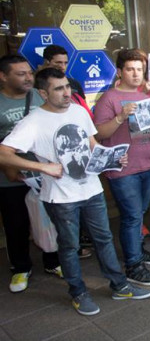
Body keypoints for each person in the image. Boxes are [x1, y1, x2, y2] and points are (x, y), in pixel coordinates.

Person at [0, 67, 150, 315]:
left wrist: (110, 159)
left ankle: (119, 285)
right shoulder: (33, 121)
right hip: (60, 197)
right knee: (69, 246)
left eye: (67, 87)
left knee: (104, 239)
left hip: (92, 189)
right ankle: (78, 292)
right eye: (58, 89)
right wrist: (42, 166)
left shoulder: (79, 111)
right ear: (43, 93)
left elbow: (91, 144)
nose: (66, 93)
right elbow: (3, 153)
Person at [93, 49, 150, 286]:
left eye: (139, 69)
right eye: (130, 69)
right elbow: (99, 134)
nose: (136, 74)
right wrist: (120, 117)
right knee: (132, 216)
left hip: (148, 163)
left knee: (139, 213)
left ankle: (137, 249)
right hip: (122, 169)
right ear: (119, 71)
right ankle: (133, 265)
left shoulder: (146, 98)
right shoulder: (109, 99)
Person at [0, 55, 62, 292]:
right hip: (10, 177)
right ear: (4, 76)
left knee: (49, 220)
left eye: (29, 72)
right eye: (20, 73)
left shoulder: (40, 96)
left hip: (45, 173)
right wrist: (9, 168)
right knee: (16, 223)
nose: (28, 77)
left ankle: (53, 262)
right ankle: (20, 268)